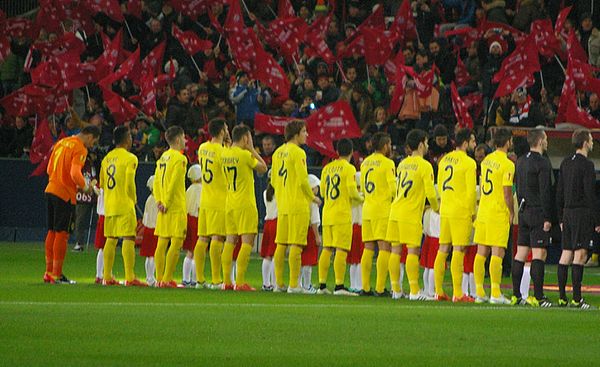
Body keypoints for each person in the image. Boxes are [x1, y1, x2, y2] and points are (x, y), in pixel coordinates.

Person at [43, 125, 100, 284]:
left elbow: (48, 169)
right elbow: (75, 173)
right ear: (89, 136)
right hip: (65, 195)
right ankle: (57, 274)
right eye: (93, 141)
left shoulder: (62, 142)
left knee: (52, 232)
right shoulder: (80, 148)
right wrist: (86, 187)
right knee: (62, 234)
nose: (92, 145)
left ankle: (48, 272)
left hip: (50, 189)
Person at [387, 129, 439, 301]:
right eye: (426, 142)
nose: (428, 145)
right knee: (412, 251)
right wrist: (436, 208)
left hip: (395, 211)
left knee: (395, 251)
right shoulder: (425, 166)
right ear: (420, 144)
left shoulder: (402, 164)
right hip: (410, 214)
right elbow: (431, 193)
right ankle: (415, 291)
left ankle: (396, 290)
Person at [271, 120, 321, 294]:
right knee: (296, 245)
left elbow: (273, 181)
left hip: (283, 204)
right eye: (304, 131)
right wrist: (312, 198)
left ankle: (278, 284)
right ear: (296, 134)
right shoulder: (299, 152)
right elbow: (302, 179)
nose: (306, 134)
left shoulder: (277, 153)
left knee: (281, 244)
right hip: (298, 204)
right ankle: (294, 285)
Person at [556, 129, 600, 309]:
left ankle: (561, 297)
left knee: (566, 253)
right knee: (580, 254)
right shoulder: (587, 165)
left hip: (567, 213)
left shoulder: (565, 163)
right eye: (590, 139)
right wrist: (597, 220)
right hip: (581, 213)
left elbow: (559, 192)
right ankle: (577, 298)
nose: (592, 142)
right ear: (584, 142)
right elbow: (590, 194)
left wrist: (560, 216)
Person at [220, 124, 268, 291]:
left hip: (230, 203)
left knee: (230, 240)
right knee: (247, 241)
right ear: (246, 138)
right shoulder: (244, 155)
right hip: (245, 204)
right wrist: (252, 150)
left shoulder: (225, 153)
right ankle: (239, 282)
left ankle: (226, 281)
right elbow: (263, 167)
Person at [433, 128, 477, 303]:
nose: (474, 144)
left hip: (446, 209)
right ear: (465, 143)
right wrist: (472, 213)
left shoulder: (444, 161)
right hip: (460, 211)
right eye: (472, 141)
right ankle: (458, 293)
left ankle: (438, 291)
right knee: (458, 249)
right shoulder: (469, 163)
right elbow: (471, 192)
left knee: (443, 249)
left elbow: (439, 185)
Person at [511, 129, 554, 307]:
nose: (547, 142)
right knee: (539, 253)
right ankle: (538, 296)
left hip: (523, 211)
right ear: (540, 141)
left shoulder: (520, 162)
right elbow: (545, 192)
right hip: (537, 212)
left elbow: (518, 188)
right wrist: (547, 217)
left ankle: (516, 295)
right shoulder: (543, 163)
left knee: (520, 252)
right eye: (545, 139)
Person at [473, 127, 514, 304]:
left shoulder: (486, 161)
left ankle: (479, 292)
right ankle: (496, 293)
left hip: (483, 210)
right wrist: (511, 211)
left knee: (481, 252)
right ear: (507, 142)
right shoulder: (508, 164)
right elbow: (507, 192)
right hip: (497, 212)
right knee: (498, 252)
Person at [317, 138, 364, 296]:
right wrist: (362, 198)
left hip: (327, 213)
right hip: (342, 214)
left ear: (337, 152)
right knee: (341, 250)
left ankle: (322, 285)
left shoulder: (327, 168)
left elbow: (323, 193)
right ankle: (339, 286)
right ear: (351, 152)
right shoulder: (348, 168)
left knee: (327, 249)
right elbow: (352, 192)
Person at [100, 126, 145, 286]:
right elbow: (129, 183)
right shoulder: (130, 158)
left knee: (110, 239)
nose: (132, 140)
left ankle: (106, 276)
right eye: (130, 138)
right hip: (124, 203)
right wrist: (133, 199)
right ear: (126, 140)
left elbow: (103, 184)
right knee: (128, 238)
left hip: (110, 204)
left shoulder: (106, 159)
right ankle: (130, 277)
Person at [359, 132, 396, 296]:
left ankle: (365, 287)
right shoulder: (388, 163)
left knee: (367, 248)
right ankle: (380, 288)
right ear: (384, 145)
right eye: (389, 144)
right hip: (382, 209)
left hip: (367, 209)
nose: (391, 147)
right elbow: (393, 189)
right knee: (384, 248)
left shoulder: (365, 163)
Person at [196, 119, 229, 289]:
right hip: (219, 199)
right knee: (217, 238)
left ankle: (199, 279)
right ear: (222, 131)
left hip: (205, 199)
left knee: (202, 238)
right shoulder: (222, 152)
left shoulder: (202, 148)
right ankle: (216, 280)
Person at [153, 126, 188, 288]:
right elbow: (174, 183)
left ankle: (159, 278)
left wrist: (159, 201)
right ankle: (167, 278)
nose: (186, 141)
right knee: (176, 241)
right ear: (177, 139)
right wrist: (166, 202)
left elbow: (156, 181)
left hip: (162, 206)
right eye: (184, 138)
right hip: (175, 206)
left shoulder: (162, 158)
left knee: (162, 241)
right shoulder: (180, 159)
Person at [300, 174, 322, 292]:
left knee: (300, 259)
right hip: (310, 232)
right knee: (308, 261)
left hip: (301, 230)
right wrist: (317, 236)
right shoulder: (313, 201)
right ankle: (307, 285)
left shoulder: (301, 199)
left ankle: (298, 283)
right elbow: (314, 220)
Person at [182, 165, 202, 287]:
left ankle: (185, 278)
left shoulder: (189, 189)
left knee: (190, 251)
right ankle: (195, 279)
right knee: (196, 252)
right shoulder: (201, 189)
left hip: (188, 219)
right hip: (197, 220)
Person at [140, 176, 159, 287]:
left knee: (149, 255)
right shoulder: (157, 200)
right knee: (153, 255)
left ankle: (149, 277)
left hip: (147, 228)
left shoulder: (149, 199)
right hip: (155, 229)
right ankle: (151, 277)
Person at [260, 171, 277, 291]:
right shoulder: (280, 193)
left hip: (268, 223)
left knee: (267, 255)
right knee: (276, 255)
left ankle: (266, 283)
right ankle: (276, 283)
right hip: (277, 222)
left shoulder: (266, 193)